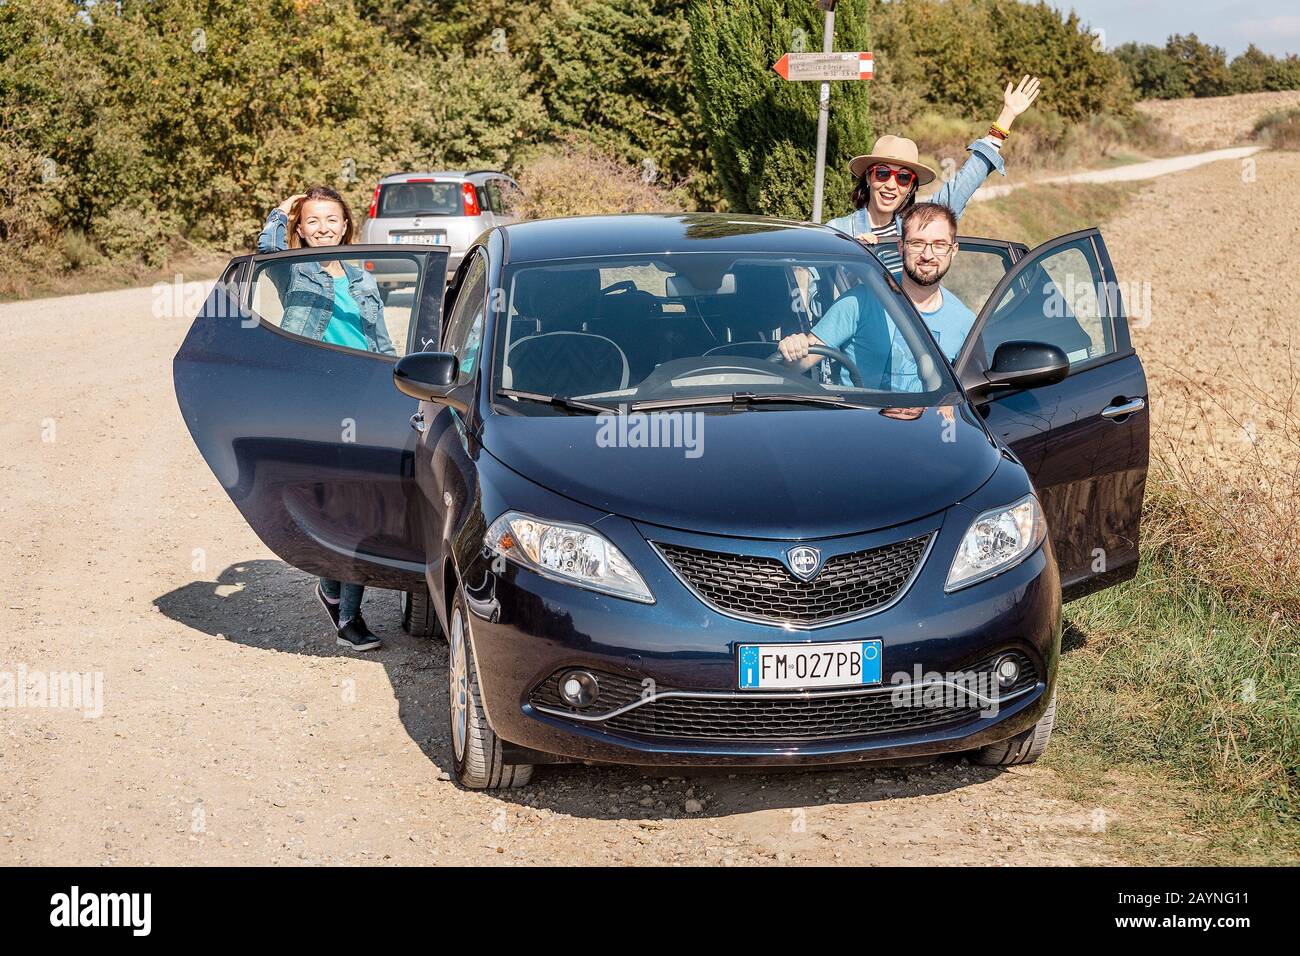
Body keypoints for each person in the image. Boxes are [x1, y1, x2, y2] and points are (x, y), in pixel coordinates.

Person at [257, 185, 392, 652]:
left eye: (331, 219)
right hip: (315, 403)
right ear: (299, 226)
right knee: (336, 506)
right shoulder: (293, 272)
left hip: (361, 402)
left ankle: (341, 599)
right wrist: (281, 210)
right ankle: (343, 604)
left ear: (347, 224)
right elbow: (266, 249)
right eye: (311, 221)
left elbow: (382, 343)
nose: (323, 229)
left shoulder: (363, 279)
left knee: (362, 507)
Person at [826, 75, 1041, 274]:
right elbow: (821, 298)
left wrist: (1007, 115)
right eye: (882, 173)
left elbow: (964, 183)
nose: (891, 184)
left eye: (903, 178)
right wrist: (852, 256)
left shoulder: (920, 224)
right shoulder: (838, 231)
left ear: (911, 187)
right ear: (868, 177)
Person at [779, 202, 974, 392]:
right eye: (917, 243)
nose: (927, 255)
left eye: (939, 245)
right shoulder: (859, 301)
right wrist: (794, 348)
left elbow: (968, 392)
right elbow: (796, 366)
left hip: (927, 424)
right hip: (862, 421)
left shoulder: (965, 322)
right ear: (900, 247)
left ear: (953, 250)